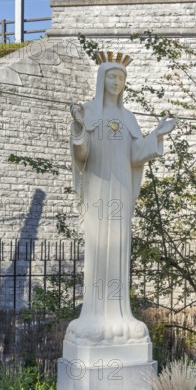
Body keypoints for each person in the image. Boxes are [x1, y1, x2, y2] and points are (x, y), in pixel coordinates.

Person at [65, 51, 177, 346]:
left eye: (122, 78)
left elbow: (135, 154)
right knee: (99, 245)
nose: (117, 82)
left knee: (119, 247)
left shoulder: (128, 117)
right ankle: (94, 315)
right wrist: (78, 128)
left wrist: (157, 134)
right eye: (112, 76)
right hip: (98, 190)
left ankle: (120, 314)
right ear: (102, 79)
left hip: (121, 192)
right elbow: (82, 155)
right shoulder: (88, 113)